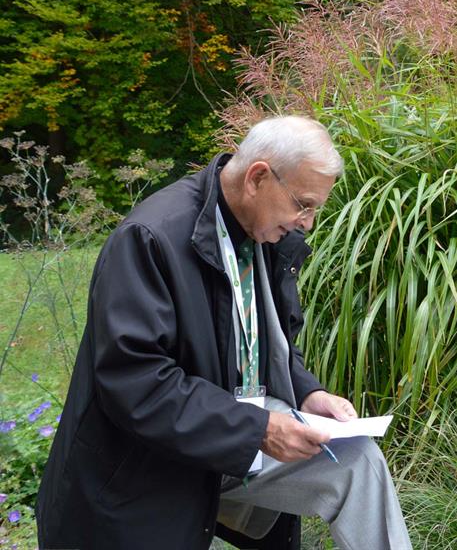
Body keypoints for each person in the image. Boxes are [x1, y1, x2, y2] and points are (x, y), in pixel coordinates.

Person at [35, 116, 411, 550]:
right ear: (258, 177)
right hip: (143, 464)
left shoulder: (266, 234)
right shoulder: (149, 237)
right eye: (303, 204)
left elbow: (272, 343)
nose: (307, 222)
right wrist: (258, 430)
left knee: (358, 460)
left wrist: (307, 393)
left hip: (236, 430)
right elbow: (135, 384)